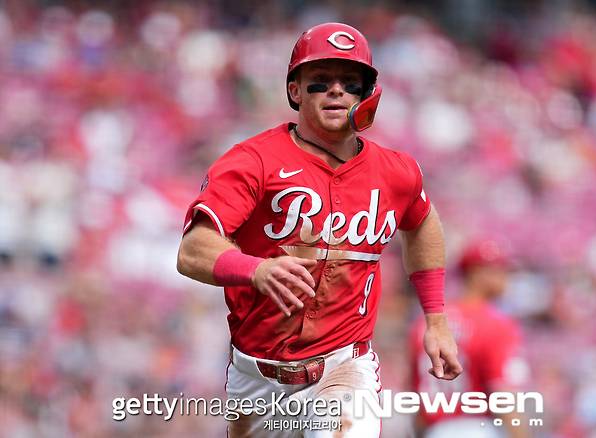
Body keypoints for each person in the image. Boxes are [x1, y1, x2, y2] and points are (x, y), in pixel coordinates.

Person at [177, 22, 462, 437]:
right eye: (320, 81)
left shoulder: (395, 171)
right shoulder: (253, 160)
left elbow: (422, 223)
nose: (336, 91)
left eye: (350, 83)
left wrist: (435, 318)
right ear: (295, 91)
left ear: (367, 94)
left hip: (345, 366)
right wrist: (254, 269)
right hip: (257, 378)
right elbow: (192, 251)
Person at [410, 239, 531, 438]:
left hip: (435, 431)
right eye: (499, 270)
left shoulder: (426, 322)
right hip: (478, 429)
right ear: (477, 273)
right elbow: (503, 394)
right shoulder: (494, 322)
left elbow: (415, 394)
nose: (506, 277)